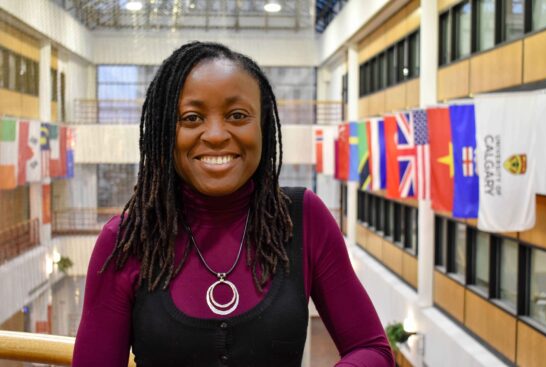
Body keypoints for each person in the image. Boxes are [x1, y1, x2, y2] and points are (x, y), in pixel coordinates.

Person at [72, 41, 393, 367]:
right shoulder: (126, 241)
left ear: (263, 126)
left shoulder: (303, 218)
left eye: (237, 115)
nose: (214, 134)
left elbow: (372, 349)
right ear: (166, 130)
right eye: (192, 117)